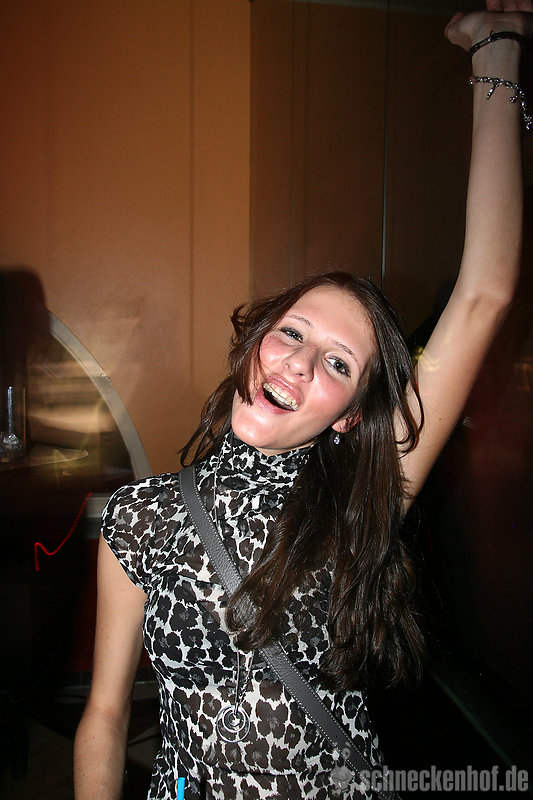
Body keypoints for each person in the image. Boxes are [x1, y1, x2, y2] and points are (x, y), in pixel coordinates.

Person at [73, 2, 532, 798]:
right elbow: (107, 716)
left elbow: (483, 294)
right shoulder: (138, 517)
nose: (296, 362)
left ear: (350, 413)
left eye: (337, 362)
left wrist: (495, 52)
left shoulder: (362, 498)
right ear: (255, 342)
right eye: (290, 332)